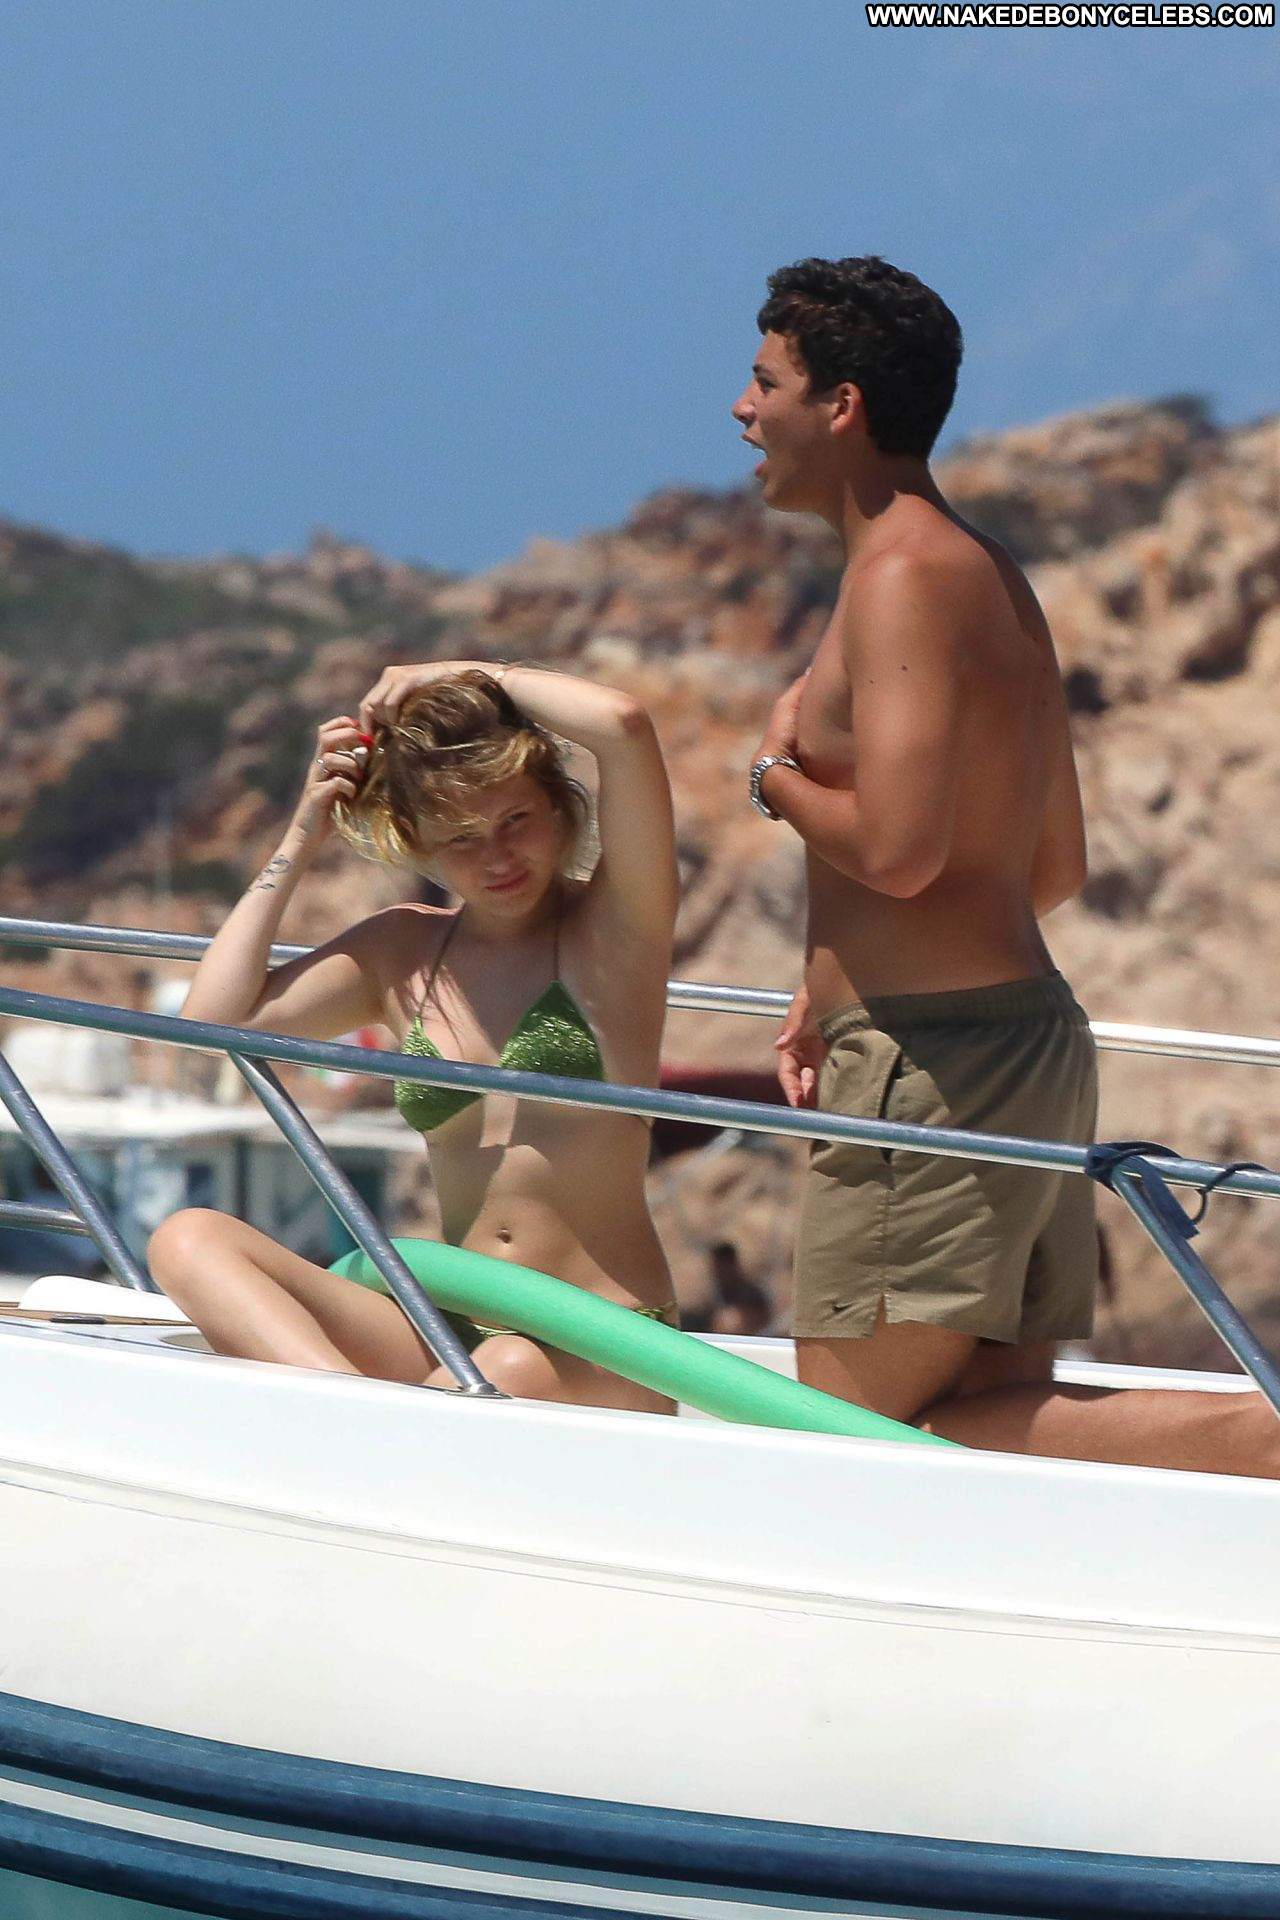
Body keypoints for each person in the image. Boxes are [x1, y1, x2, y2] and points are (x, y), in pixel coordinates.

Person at [736, 255, 1279, 1477]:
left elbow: (899, 851)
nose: (741, 407)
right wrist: (832, 982)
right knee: (976, 1432)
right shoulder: (979, 571)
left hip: (934, 1067)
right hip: (1010, 1043)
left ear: (841, 406)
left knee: (851, 1438)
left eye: (765, 381)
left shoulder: (899, 580)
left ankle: (1258, 1437)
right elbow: (1051, 862)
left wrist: (769, 777)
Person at [148, 663, 680, 1412]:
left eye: (514, 820)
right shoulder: (402, 952)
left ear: (559, 809)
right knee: (187, 1239)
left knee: (508, 1367)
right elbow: (211, 1025)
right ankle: (348, 1416)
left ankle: (363, 1433)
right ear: (418, 842)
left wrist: (469, 673)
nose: (496, 857)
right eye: (460, 838)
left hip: (604, 1340)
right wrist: (304, 831)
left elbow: (622, 725)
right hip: (451, 1327)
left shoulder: (615, 931)